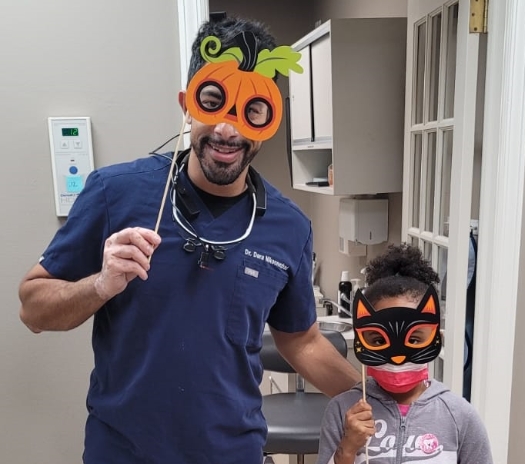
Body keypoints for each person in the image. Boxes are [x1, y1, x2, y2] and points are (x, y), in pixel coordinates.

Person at [18, 16, 360, 464]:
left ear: (267, 120)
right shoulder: (115, 193)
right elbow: (33, 308)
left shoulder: (288, 226)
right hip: (123, 452)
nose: (227, 130)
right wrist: (99, 285)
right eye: (214, 102)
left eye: (251, 111)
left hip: (231, 451)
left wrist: (382, 395)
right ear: (188, 104)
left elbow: (301, 340)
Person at [317, 244, 493, 464]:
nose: (398, 357)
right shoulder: (343, 410)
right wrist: (348, 448)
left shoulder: (460, 416)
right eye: (379, 340)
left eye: (414, 339)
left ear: (436, 337)